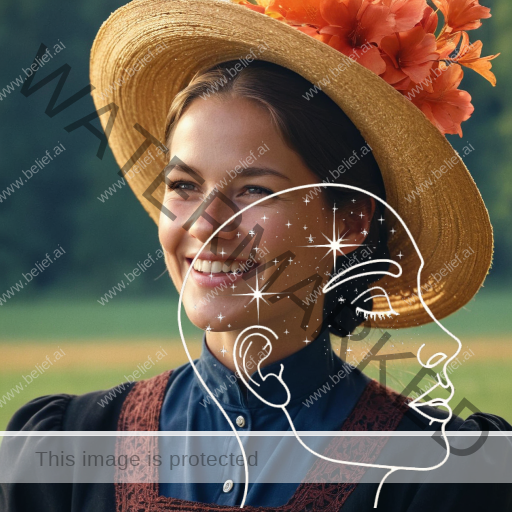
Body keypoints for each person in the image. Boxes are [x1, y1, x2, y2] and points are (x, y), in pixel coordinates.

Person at [1, 0, 511, 511]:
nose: (206, 223)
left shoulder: (439, 473)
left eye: (253, 192)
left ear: (350, 221)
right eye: (183, 184)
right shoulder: (69, 447)